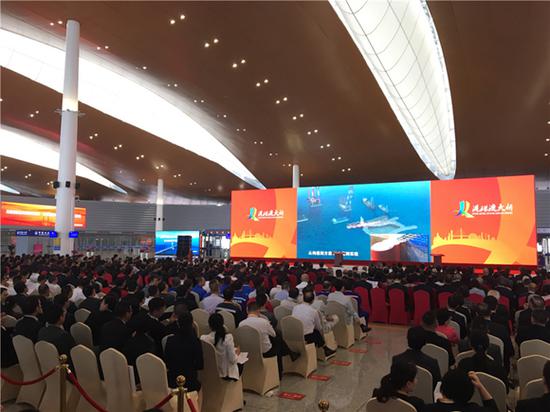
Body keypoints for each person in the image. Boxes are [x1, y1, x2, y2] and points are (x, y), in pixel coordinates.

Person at [240, 301, 298, 379]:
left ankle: (290, 353)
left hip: (249, 351)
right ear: (258, 311)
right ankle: (279, 372)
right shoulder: (263, 322)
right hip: (265, 352)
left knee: (277, 339)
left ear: (247, 311)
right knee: (278, 340)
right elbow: (273, 334)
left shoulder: (241, 324)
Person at [423, 369, 498, 411]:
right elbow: (494, 409)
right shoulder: (474, 409)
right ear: (469, 393)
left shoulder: (428, 409)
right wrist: (480, 386)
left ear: (442, 390)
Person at [164, 312, 203, 390]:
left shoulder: (170, 340)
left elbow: (167, 362)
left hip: (172, 379)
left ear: (178, 323)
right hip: (190, 380)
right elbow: (199, 365)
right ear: (192, 323)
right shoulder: (196, 341)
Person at [292, 289, 336, 357]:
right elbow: (319, 327)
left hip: (295, 333)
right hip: (306, 336)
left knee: (314, 332)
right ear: (313, 301)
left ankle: (325, 348)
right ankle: (325, 348)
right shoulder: (313, 311)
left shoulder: (295, 307)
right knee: (317, 332)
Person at [200, 313, 241, 380]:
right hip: (226, 375)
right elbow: (232, 360)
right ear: (223, 324)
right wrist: (237, 354)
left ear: (209, 325)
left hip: (209, 373)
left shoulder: (203, 339)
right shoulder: (228, 338)